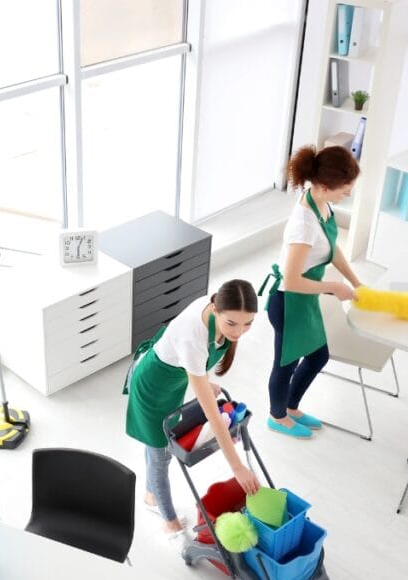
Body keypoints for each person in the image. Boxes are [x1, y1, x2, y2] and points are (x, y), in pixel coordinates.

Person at [125, 280, 261, 540]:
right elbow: (213, 416)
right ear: (215, 307)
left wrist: (200, 379)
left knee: (157, 448)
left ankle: (151, 494)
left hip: (174, 381)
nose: (240, 331)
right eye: (232, 323)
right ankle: (169, 522)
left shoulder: (216, 315)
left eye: (248, 324)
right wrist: (237, 467)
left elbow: (188, 357)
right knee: (160, 452)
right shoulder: (194, 336)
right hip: (152, 386)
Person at [260, 144, 362, 439]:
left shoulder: (322, 204)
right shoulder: (303, 224)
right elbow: (291, 281)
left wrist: (356, 282)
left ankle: (291, 407)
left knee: (318, 356)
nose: (348, 195)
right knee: (285, 363)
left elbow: (332, 250)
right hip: (289, 302)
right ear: (325, 186)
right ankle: (277, 416)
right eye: (345, 190)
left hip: (304, 300)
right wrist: (333, 287)